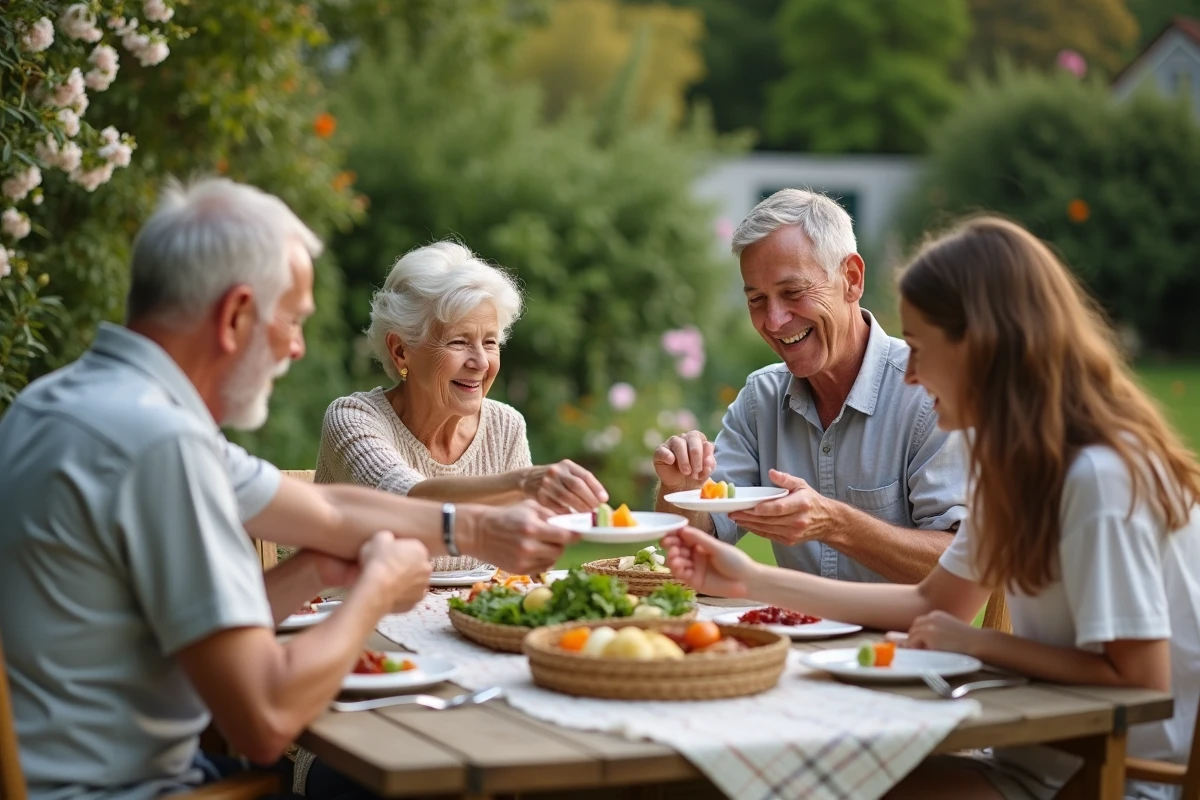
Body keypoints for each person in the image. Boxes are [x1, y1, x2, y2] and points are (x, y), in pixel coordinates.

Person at [0, 178, 576, 800]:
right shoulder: (158, 444)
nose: (298, 348)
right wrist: (375, 590)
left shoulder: (63, 403)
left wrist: (440, 537)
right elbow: (266, 721)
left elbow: (324, 508)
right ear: (236, 315)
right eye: (294, 320)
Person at [662, 216, 1200, 800]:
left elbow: (1142, 681)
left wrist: (979, 643)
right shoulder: (1015, 467)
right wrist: (749, 579)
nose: (911, 373)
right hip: (1038, 763)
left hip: (1116, 781)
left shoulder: (1099, 477)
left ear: (982, 347)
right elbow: (930, 603)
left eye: (919, 348)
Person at [654, 189, 967, 584]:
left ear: (851, 279)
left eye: (793, 292)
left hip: (903, 628)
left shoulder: (930, 392)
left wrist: (836, 523)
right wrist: (682, 491)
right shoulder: (760, 400)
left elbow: (963, 565)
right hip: (795, 624)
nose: (774, 320)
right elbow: (693, 550)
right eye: (757, 299)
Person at [315, 241, 608, 535]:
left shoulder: (504, 428)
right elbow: (404, 502)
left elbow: (523, 543)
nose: (481, 362)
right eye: (458, 341)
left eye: (490, 342)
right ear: (401, 350)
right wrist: (523, 482)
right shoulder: (353, 419)